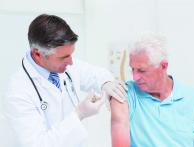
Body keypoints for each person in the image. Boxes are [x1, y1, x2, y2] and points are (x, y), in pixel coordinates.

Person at [3, 14, 127, 147]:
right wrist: (79, 114)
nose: (71, 62)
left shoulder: (64, 66)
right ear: (37, 54)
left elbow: (96, 74)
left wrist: (106, 83)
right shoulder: (18, 92)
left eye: (71, 54)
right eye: (64, 57)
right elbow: (37, 144)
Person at [110, 34, 194, 147]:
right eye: (132, 69)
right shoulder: (125, 93)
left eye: (142, 70)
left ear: (163, 66)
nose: (135, 77)